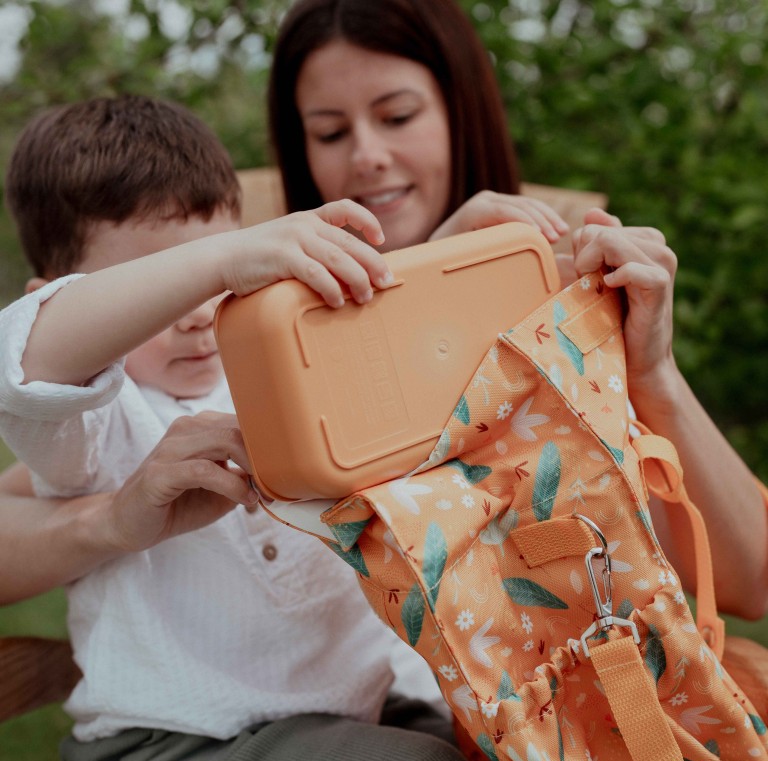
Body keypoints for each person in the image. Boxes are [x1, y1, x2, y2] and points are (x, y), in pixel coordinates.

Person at [0, 95, 468, 761]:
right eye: (160, 286)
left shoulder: (280, 365)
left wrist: (461, 249)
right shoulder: (93, 418)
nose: (196, 315)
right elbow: (27, 356)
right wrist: (218, 263)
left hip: (343, 712)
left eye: (219, 270)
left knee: (510, 742)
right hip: (175, 737)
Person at [265, 0, 768, 620]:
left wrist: (653, 373)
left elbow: (748, 582)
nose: (366, 153)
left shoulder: (549, 305)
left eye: (397, 115)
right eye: (331, 132)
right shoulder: (274, 343)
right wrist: (429, 273)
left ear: (460, 110)